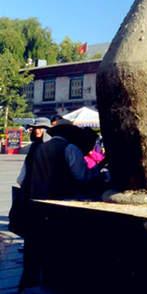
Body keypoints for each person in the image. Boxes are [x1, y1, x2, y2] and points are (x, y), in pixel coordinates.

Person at [18, 122, 105, 289]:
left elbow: (22, 180)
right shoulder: (70, 149)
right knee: (59, 249)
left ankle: (33, 283)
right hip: (61, 204)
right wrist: (99, 168)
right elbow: (82, 177)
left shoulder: (38, 149)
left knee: (37, 250)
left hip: (36, 205)